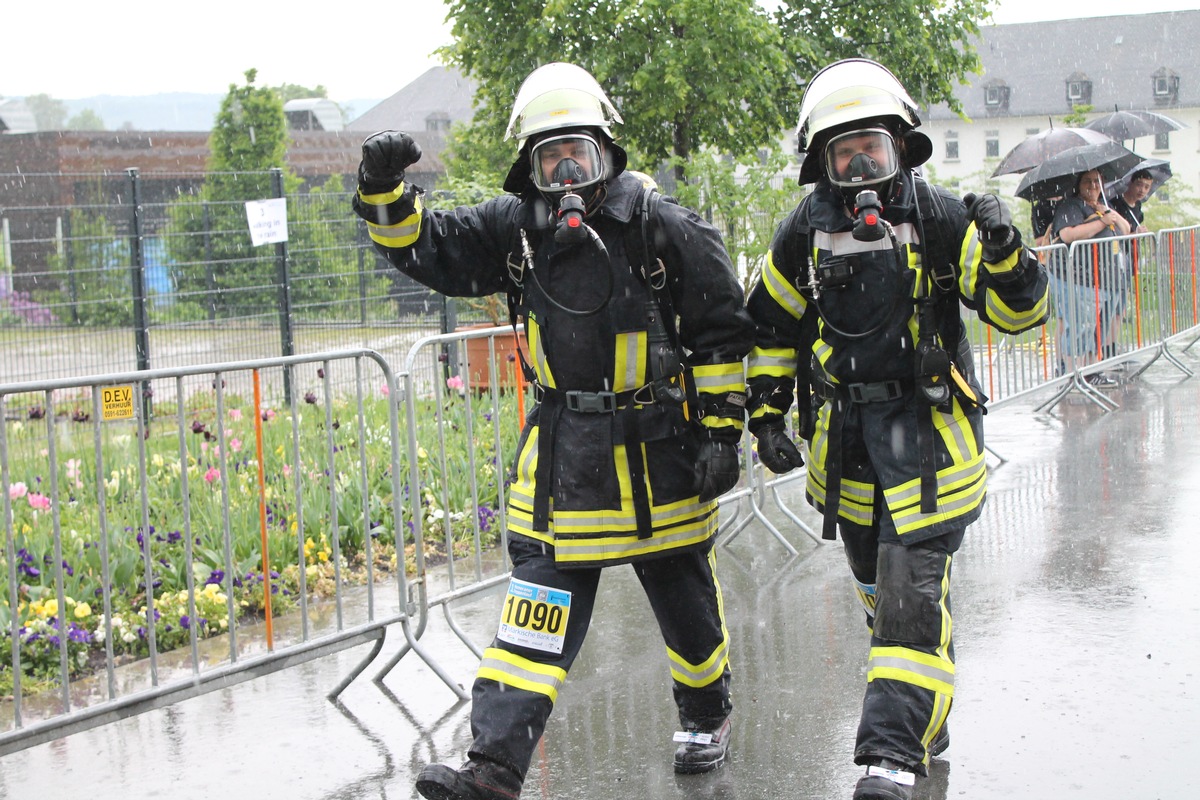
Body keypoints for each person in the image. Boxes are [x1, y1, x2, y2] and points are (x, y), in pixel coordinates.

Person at [351, 62, 755, 800]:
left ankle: (706, 714)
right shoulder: (514, 228)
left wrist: (724, 435)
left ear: (607, 153)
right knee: (535, 617)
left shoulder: (662, 226)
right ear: (530, 167)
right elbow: (424, 245)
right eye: (550, 157)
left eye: (580, 153)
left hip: (658, 454)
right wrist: (383, 190)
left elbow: (722, 332)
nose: (567, 170)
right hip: (566, 460)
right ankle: (495, 768)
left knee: (685, 604)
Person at [744, 59, 1048, 800]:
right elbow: (771, 327)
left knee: (910, 602)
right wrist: (764, 414)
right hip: (847, 450)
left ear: (900, 147)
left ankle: (890, 756)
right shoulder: (803, 232)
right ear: (821, 161)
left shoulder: (942, 218)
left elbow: (1022, 315)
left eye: (872, 148)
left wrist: (1008, 253)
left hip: (930, 442)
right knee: (880, 593)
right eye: (843, 152)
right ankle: (923, 703)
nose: (859, 166)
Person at [1052, 168, 1132, 376]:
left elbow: (1126, 229)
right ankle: (1073, 374)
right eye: (1087, 181)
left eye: (1097, 181)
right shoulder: (1070, 206)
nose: (1093, 186)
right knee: (1079, 327)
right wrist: (1101, 223)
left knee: (1098, 330)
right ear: (1077, 185)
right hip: (1080, 279)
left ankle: (1092, 372)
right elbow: (1068, 235)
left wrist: (1108, 213)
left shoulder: (1103, 207)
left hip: (1107, 280)